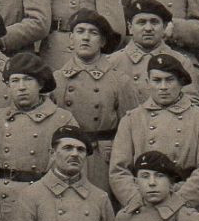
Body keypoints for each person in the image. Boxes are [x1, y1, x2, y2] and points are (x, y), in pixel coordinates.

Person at [109, 53, 199, 210]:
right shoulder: (131, 119)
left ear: (181, 82)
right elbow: (119, 170)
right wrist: (137, 201)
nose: (163, 87)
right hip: (142, 205)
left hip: (186, 204)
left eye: (169, 80)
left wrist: (177, 202)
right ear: (148, 82)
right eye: (157, 80)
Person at [52, 10, 136, 195]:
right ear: (71, 39)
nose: (86, 37)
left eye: (93, 33)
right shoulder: (56, 80)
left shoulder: (120, 81)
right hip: (66, 157)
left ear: (103, 42)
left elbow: (132, 130)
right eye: (80, 31)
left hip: (102, 159)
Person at [0, 53, 79, 211]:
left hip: (46, 198)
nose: (21, 87)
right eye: (15, 81)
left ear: (40, 84)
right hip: (3, 199)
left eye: (28, 80)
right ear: (8, 86)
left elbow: (74, 170)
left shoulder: (62, 119)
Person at [108, 0, 199, 106]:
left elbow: (192, 104)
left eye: (154, 22)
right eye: (141, 22)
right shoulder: (112, 62)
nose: (148, 28)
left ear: (164, 27)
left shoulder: (181, 61)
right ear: (130, 27)